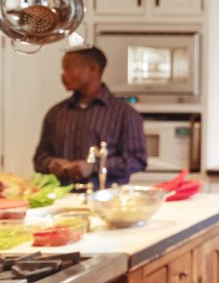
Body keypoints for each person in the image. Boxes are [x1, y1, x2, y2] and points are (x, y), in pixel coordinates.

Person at [33, 46, 146, 187]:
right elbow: (39, 158)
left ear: (93, 69)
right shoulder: (56, 113)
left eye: (68, 68)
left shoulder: (124, 113)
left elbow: (137, 160)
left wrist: (93, 166)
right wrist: (51, 164)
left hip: (107, 199)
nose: (63, 75)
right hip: (62, 199)